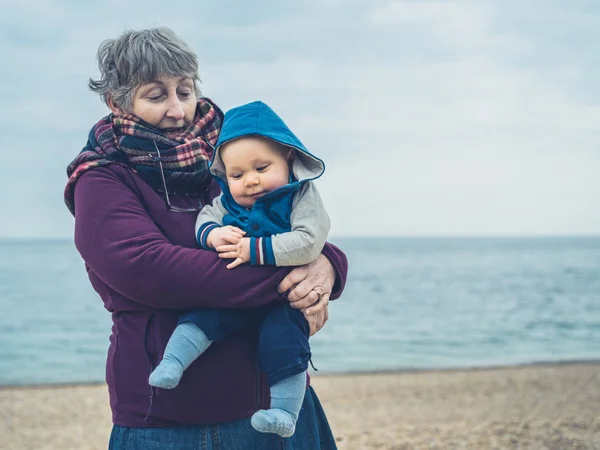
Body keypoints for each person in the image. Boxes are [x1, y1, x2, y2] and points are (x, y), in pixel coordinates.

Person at [64, 27, 347, 449]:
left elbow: (301, 221)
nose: (178, 110)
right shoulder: (102, 178)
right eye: (156, 95)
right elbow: (153, 272)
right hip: (170, 420)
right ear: (116, 101)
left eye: (185, 90)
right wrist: (293, 274)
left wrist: (327, 266)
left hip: (277, 402)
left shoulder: (237, 157)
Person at [149, 100, 331, 438]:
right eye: (237, 175)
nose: (250, 181)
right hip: (231, 299)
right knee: (202, 317)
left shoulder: (301, 195)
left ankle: (284, 411)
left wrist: (251, 249)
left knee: (286, 343)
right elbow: (205, 219)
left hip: (280, 303)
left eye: (262, 168)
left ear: (288, 158)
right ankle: (172, 363)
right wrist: (214, 234)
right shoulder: (227, 201)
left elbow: (310, 241)